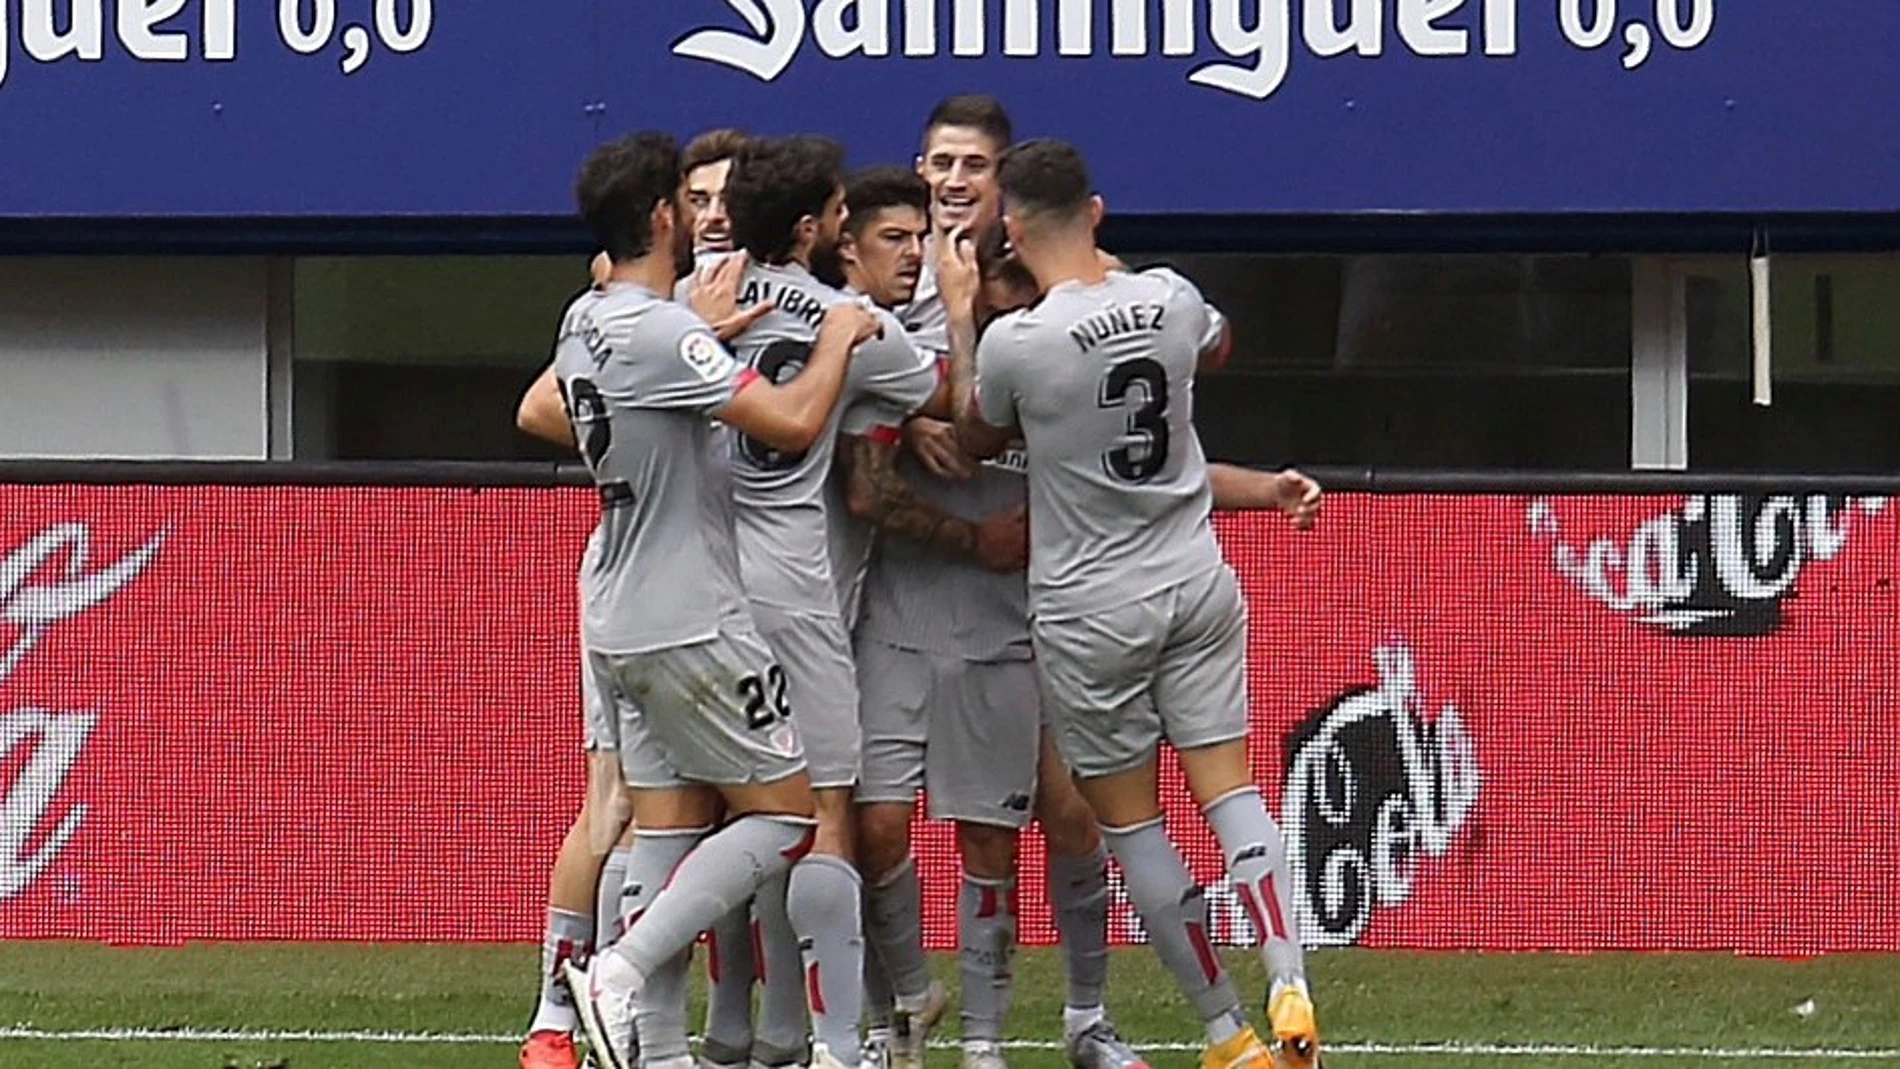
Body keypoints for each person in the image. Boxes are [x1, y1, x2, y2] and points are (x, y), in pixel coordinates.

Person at [945, 138, 1324, 1069]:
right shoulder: (1172, 297)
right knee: (1231, 792)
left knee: (1134, 826)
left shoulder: (1018, 342)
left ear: (1012, 228)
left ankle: (1227, 1031)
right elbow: (1218, 341)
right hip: (1193, 578)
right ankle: (1292, 984)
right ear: (1099, 212)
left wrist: (961, 313)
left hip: (1089, 607)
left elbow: (971, 426)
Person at [550, 130, 882, 1069]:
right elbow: (792, 417)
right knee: (786, 815)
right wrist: (840, 334)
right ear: (663, 216)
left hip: (614, 609)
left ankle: (655, 1053)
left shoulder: (586, 319)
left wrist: (710, 336)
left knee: (665, 825)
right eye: (687, 205)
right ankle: (624, 965)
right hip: (691, 612)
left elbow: (581, 402)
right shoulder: (665, 331)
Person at [718, 135, 946, 1069]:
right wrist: (958, 311)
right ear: (816, 228)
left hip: (695, 582)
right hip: (793, 590)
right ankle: (833, 1042)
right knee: (822, 814)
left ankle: (725, 1026)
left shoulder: (698, 303)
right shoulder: (846, 323)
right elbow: (943, 391)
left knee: (682, 814)